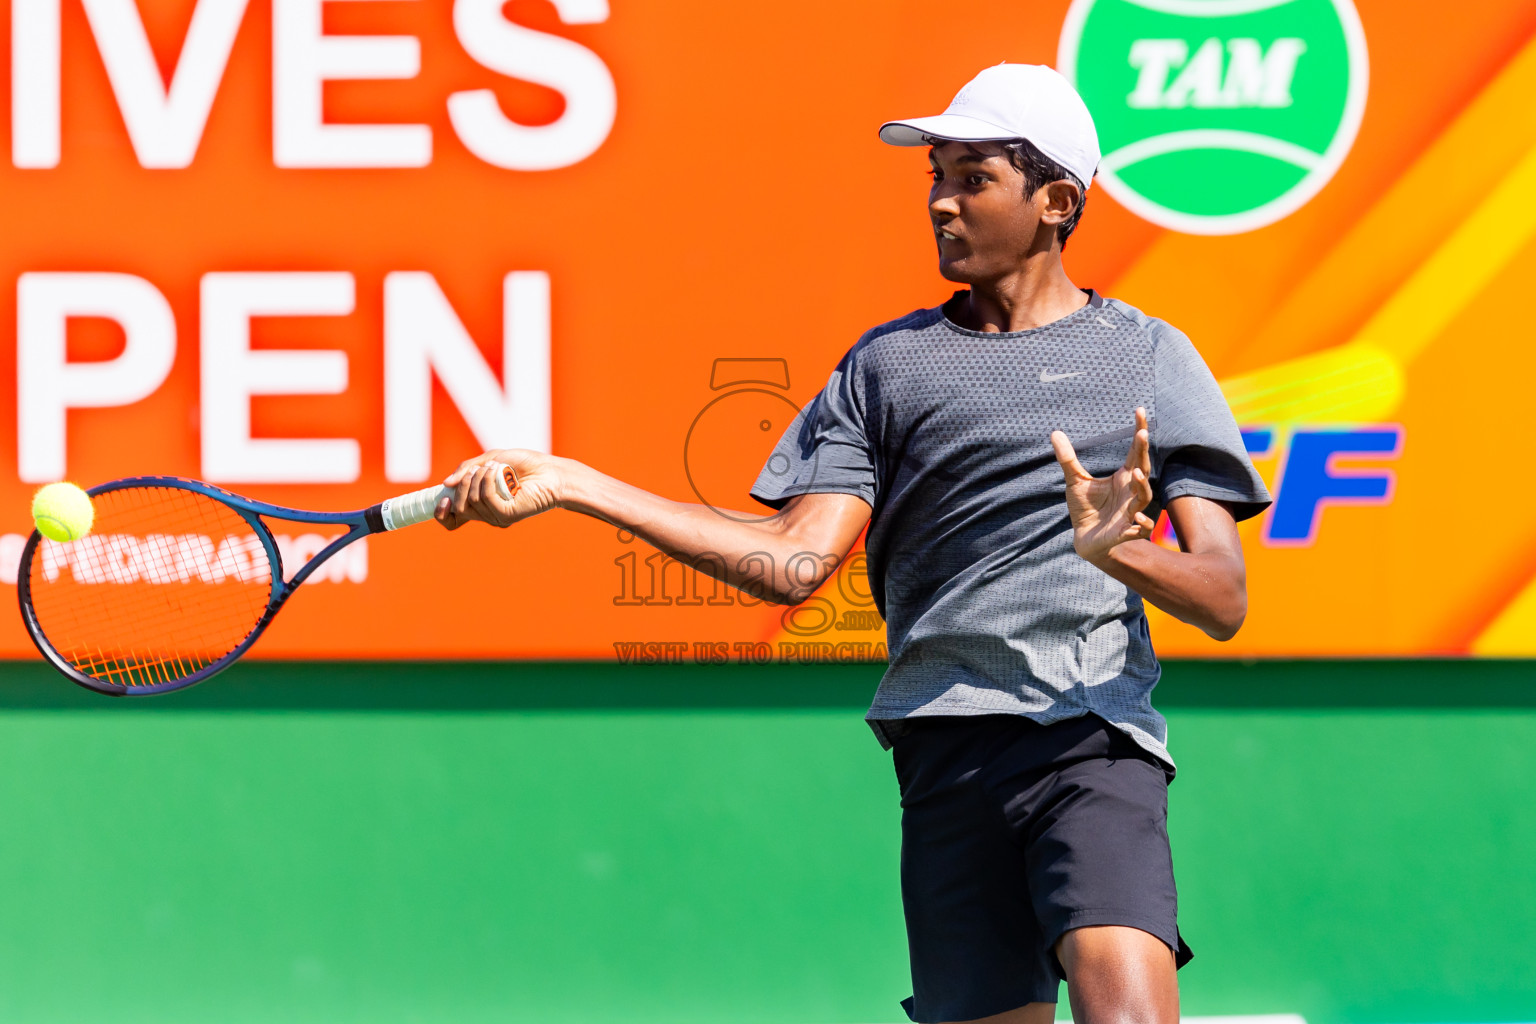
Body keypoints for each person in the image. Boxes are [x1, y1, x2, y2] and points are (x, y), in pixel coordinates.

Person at [435, 62, 1270, 1024]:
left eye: (972, 177)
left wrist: (1119, 551)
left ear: (1057, 200)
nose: (942, 203)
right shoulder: (887, 366)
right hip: (945, 756)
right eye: (935, 178)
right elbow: (792, 558)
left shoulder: (1149, 355)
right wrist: (579, 486)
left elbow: (1221, 596)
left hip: (1093, 745)